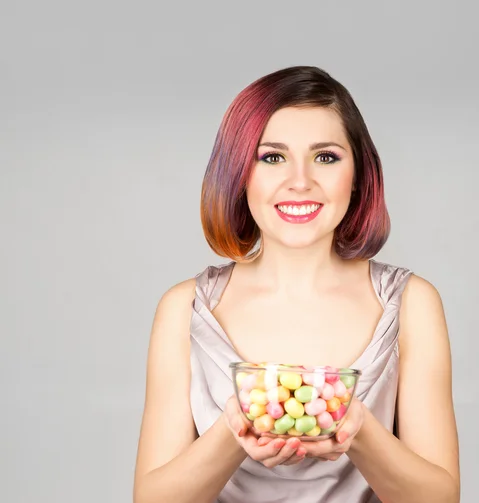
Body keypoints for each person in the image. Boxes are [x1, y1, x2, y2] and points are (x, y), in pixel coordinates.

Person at [133, 66, 460, 503]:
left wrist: (357, 430)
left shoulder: (410, 304)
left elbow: (441, 498)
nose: (300, 181)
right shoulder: (185, 308)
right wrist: (235, 433)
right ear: (239, 174)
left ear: (359, 174)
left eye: (326, 157)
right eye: (272, 157)